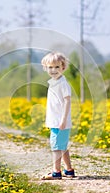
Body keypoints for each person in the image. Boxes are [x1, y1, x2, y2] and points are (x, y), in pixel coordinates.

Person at [41, 51, 75, 180]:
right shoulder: (54, 82)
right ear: (46, 68)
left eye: (57, 67)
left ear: (63, 68)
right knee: (62, 146)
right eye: (50, 67)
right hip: (56, 121)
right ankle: (69, 170)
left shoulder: (62, 84)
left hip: (59, 122)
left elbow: (67, 101)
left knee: (56, 147)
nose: (53, 70)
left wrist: (63, 120)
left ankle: (56, 172)